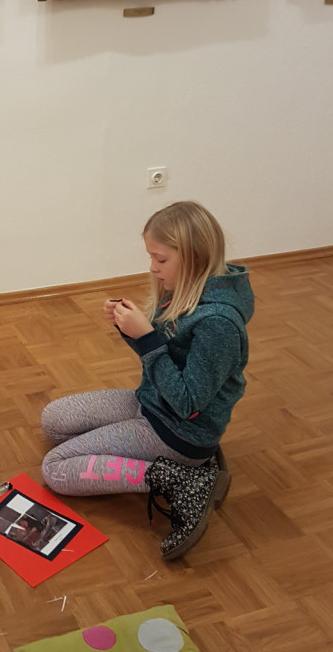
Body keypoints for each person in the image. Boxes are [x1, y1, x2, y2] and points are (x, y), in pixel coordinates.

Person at [40, 201, 254, 560]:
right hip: (152, 404)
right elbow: (163, 355)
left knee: (55, 469)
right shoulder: (190, 290)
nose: (153, 268)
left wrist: (147, 338)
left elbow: (186, 402)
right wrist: (131, 330)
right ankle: (182, 466)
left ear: (194, 256)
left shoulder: (218, 323)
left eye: (161, 259)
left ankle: (184, 480)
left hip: (178, 431)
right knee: (54, 420)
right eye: (151, 257)